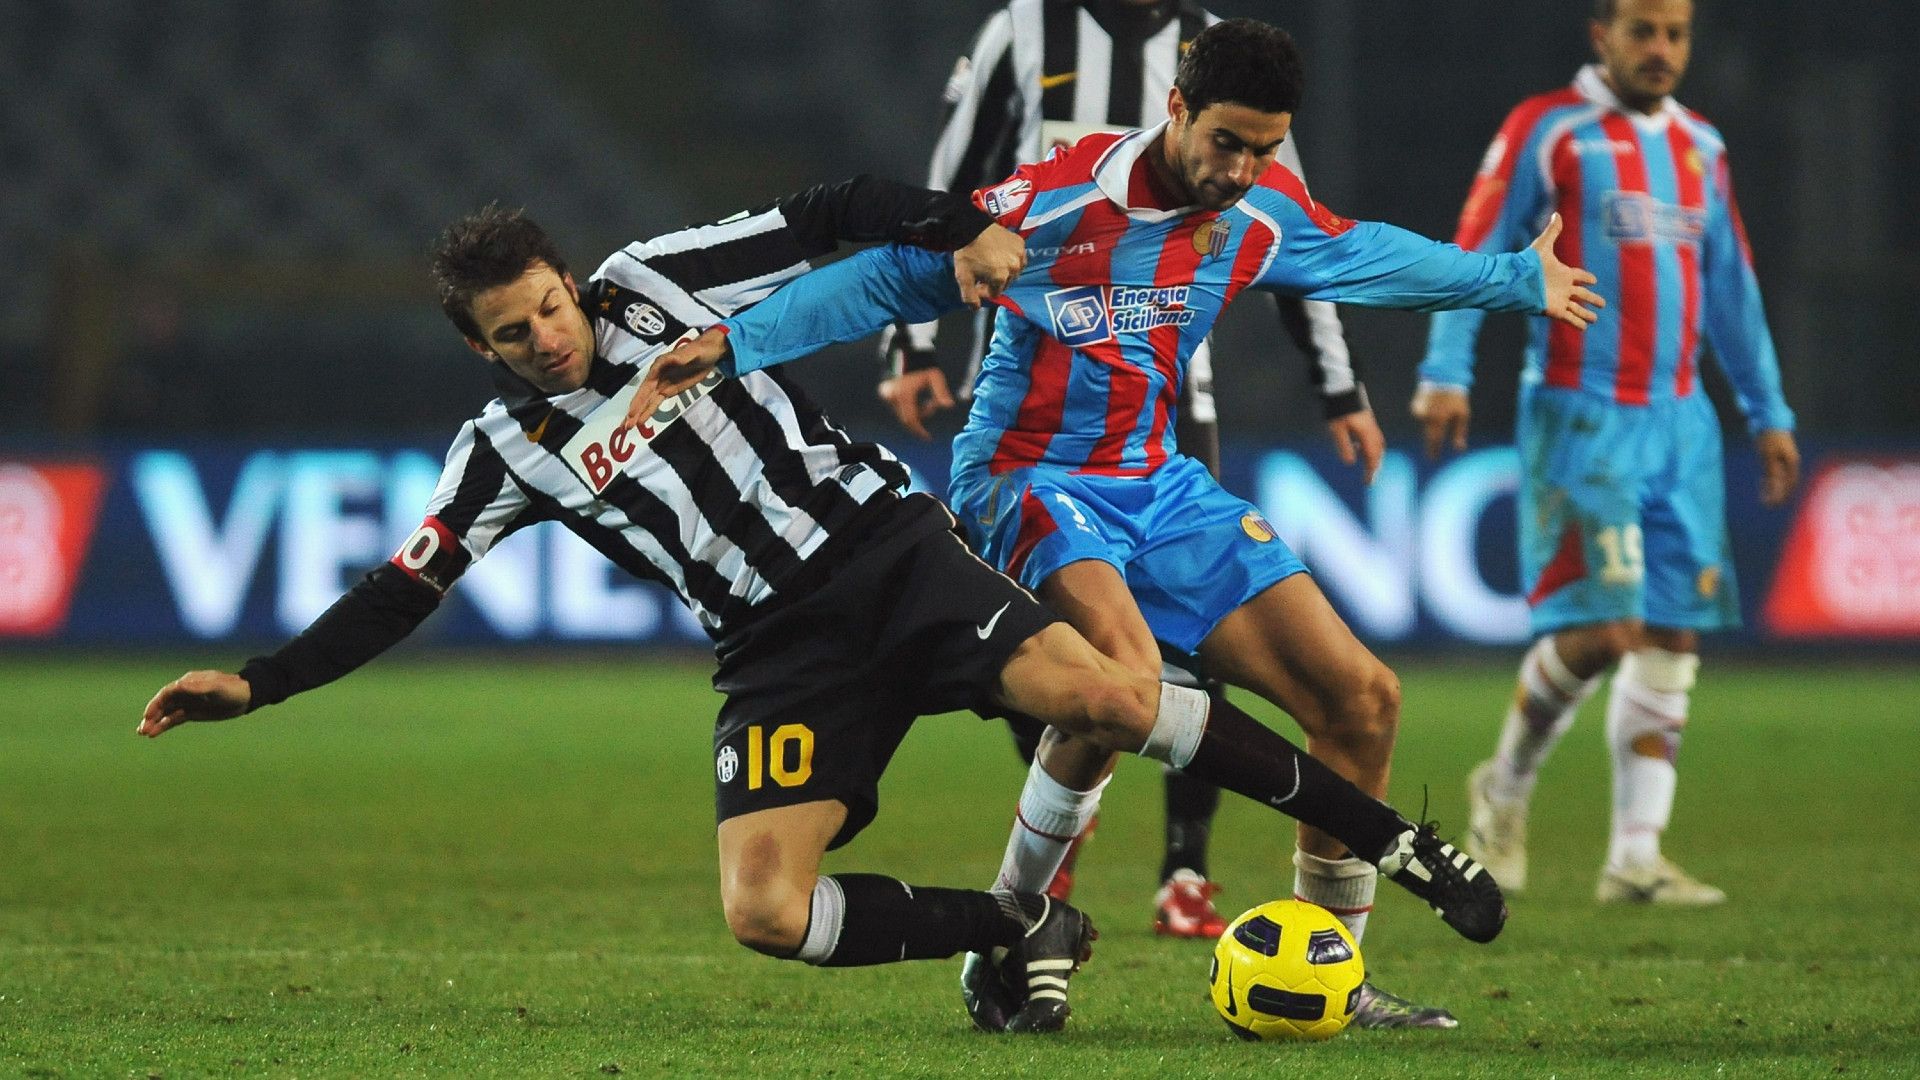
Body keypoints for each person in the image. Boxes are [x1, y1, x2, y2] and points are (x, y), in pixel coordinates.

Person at [138, 178, 1506, 1036]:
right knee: (765, 913)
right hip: (777, 651)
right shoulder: (499, 456)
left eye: (552, 307)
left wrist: (962, 227)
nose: (552, 338)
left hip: (888, 554)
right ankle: (1017, 925)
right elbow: (398, 592)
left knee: (1109, 696)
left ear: (570, 282)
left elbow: (836, 213)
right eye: (516, 334)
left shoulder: (660, 279)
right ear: (481, 348)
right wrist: (254, 682)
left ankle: (1399, 845)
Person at [627, 19, 1598, 1031]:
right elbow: (886, 277)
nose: (1244, 169)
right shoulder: (1056, 201)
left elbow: (1364, 257)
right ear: (1175, 111)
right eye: (1227, 142)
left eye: (1265, 149)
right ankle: (1013, 935)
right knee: (1124, 688)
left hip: (1159, 482)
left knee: (1363, 699)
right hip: (1028, 477)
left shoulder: (1263, 208)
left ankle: (1332, 978)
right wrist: (736, 343)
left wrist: (1515, 281)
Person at [879, 0, 1386, 944]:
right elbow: (948, 190)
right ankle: (1036, 898)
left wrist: (1341, 387)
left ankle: (1185, 871)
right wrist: (912, 343)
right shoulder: (1023, 32)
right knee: (1102, 674)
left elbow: (1299, 239)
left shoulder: (1235, 59)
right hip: (1041, 400)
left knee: (1214, 649)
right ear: (1177, 105)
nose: (1235, 163)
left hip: (1167, 408)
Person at [1411, 0, 1799, 905]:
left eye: (1676, 34)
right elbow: (1477, 244)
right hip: (1582, 413)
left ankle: (1635, 854)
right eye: (1642, 31)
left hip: (1683, 421)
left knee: (1670, 632)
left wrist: (1766, 408)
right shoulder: (1548, 130)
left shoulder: (1702, 143)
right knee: (1604, 631)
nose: (1661, 50)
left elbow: (1730, 281)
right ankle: (1503, 787)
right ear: (1602, 36)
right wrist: (1445, 367)